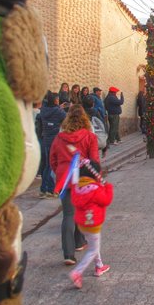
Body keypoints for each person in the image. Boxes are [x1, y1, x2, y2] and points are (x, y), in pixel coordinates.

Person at [50, 105, 100, 265]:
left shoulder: (59, 138)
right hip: (83, 179)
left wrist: (59, 172)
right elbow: (94, 160)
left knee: (68, 215)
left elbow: (52, 160)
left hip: (65, 179)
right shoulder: (90, 137)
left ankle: (69, 253)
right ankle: (79, 242)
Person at [69, 159, 113, 289]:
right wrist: (108, 188)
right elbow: (106, 200)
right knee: (93, 249)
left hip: (82, 224)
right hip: (93, 224)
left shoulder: (77, 187)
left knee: (93, 245)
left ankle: (99, 266)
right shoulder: (95, 188)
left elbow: (75, 200)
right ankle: (77, 272)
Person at [38, 91, 67, 198]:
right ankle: (44, 189)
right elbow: (66, 119)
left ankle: (50, 189)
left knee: (47, 166)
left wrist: (58, 107)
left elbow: (50, 110)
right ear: (55, 100)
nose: (58, 100)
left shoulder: (44, 110)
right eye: (57, 99)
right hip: (54, 141)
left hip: (45, 139)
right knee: (50, 166)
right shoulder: (58, 112)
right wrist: (61, 109)